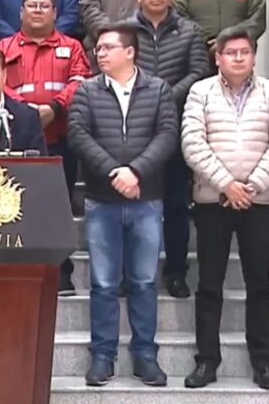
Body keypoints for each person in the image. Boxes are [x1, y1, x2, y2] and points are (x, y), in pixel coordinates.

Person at [180, 26, 269, 391]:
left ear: (254, 56)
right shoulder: (201, 92)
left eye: (245, 51)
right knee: (209, 283)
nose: (239, 58)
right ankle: (207, 361)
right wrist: (226, 184)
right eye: (231, 52)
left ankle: (264, 363)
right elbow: (192, 143)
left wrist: (251, 186)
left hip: (256, 202)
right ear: (218, 57)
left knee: (259, 284)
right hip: (213, 200)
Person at [67, 24, 178, 387]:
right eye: (97, 48)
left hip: (147, 199)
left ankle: (145, 356)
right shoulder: (87, 90)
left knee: (145, 281)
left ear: (130, 52)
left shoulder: (158, 88)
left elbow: (167, 134)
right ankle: (103, 356)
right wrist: (116, 171)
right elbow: (79, 135)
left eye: (108, 47)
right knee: (102, 283)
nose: (99, 53)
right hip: (102, 199)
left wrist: (136, 172)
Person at [0, 0, 90, 295]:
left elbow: (79, 81)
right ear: (21, 12)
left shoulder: (72, 46)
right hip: (16, 140)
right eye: (31, 5)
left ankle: (61, 272)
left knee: (58, 210)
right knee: (15, 208)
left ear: (55, 13)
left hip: (59, 138)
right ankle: (19, 269)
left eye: (44, 6)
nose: (37, 11)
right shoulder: (4, 46)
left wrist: (54, 107)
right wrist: (25, 113)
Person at [131, 0, 210, 299]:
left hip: (176, 127)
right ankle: (131, 273)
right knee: (133, 206)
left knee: (176, 204)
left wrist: (164, 97)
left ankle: (176, 272)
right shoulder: (124, 32)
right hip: (132, 127)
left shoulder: (190, 32)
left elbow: (199, 71)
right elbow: (115, 70)